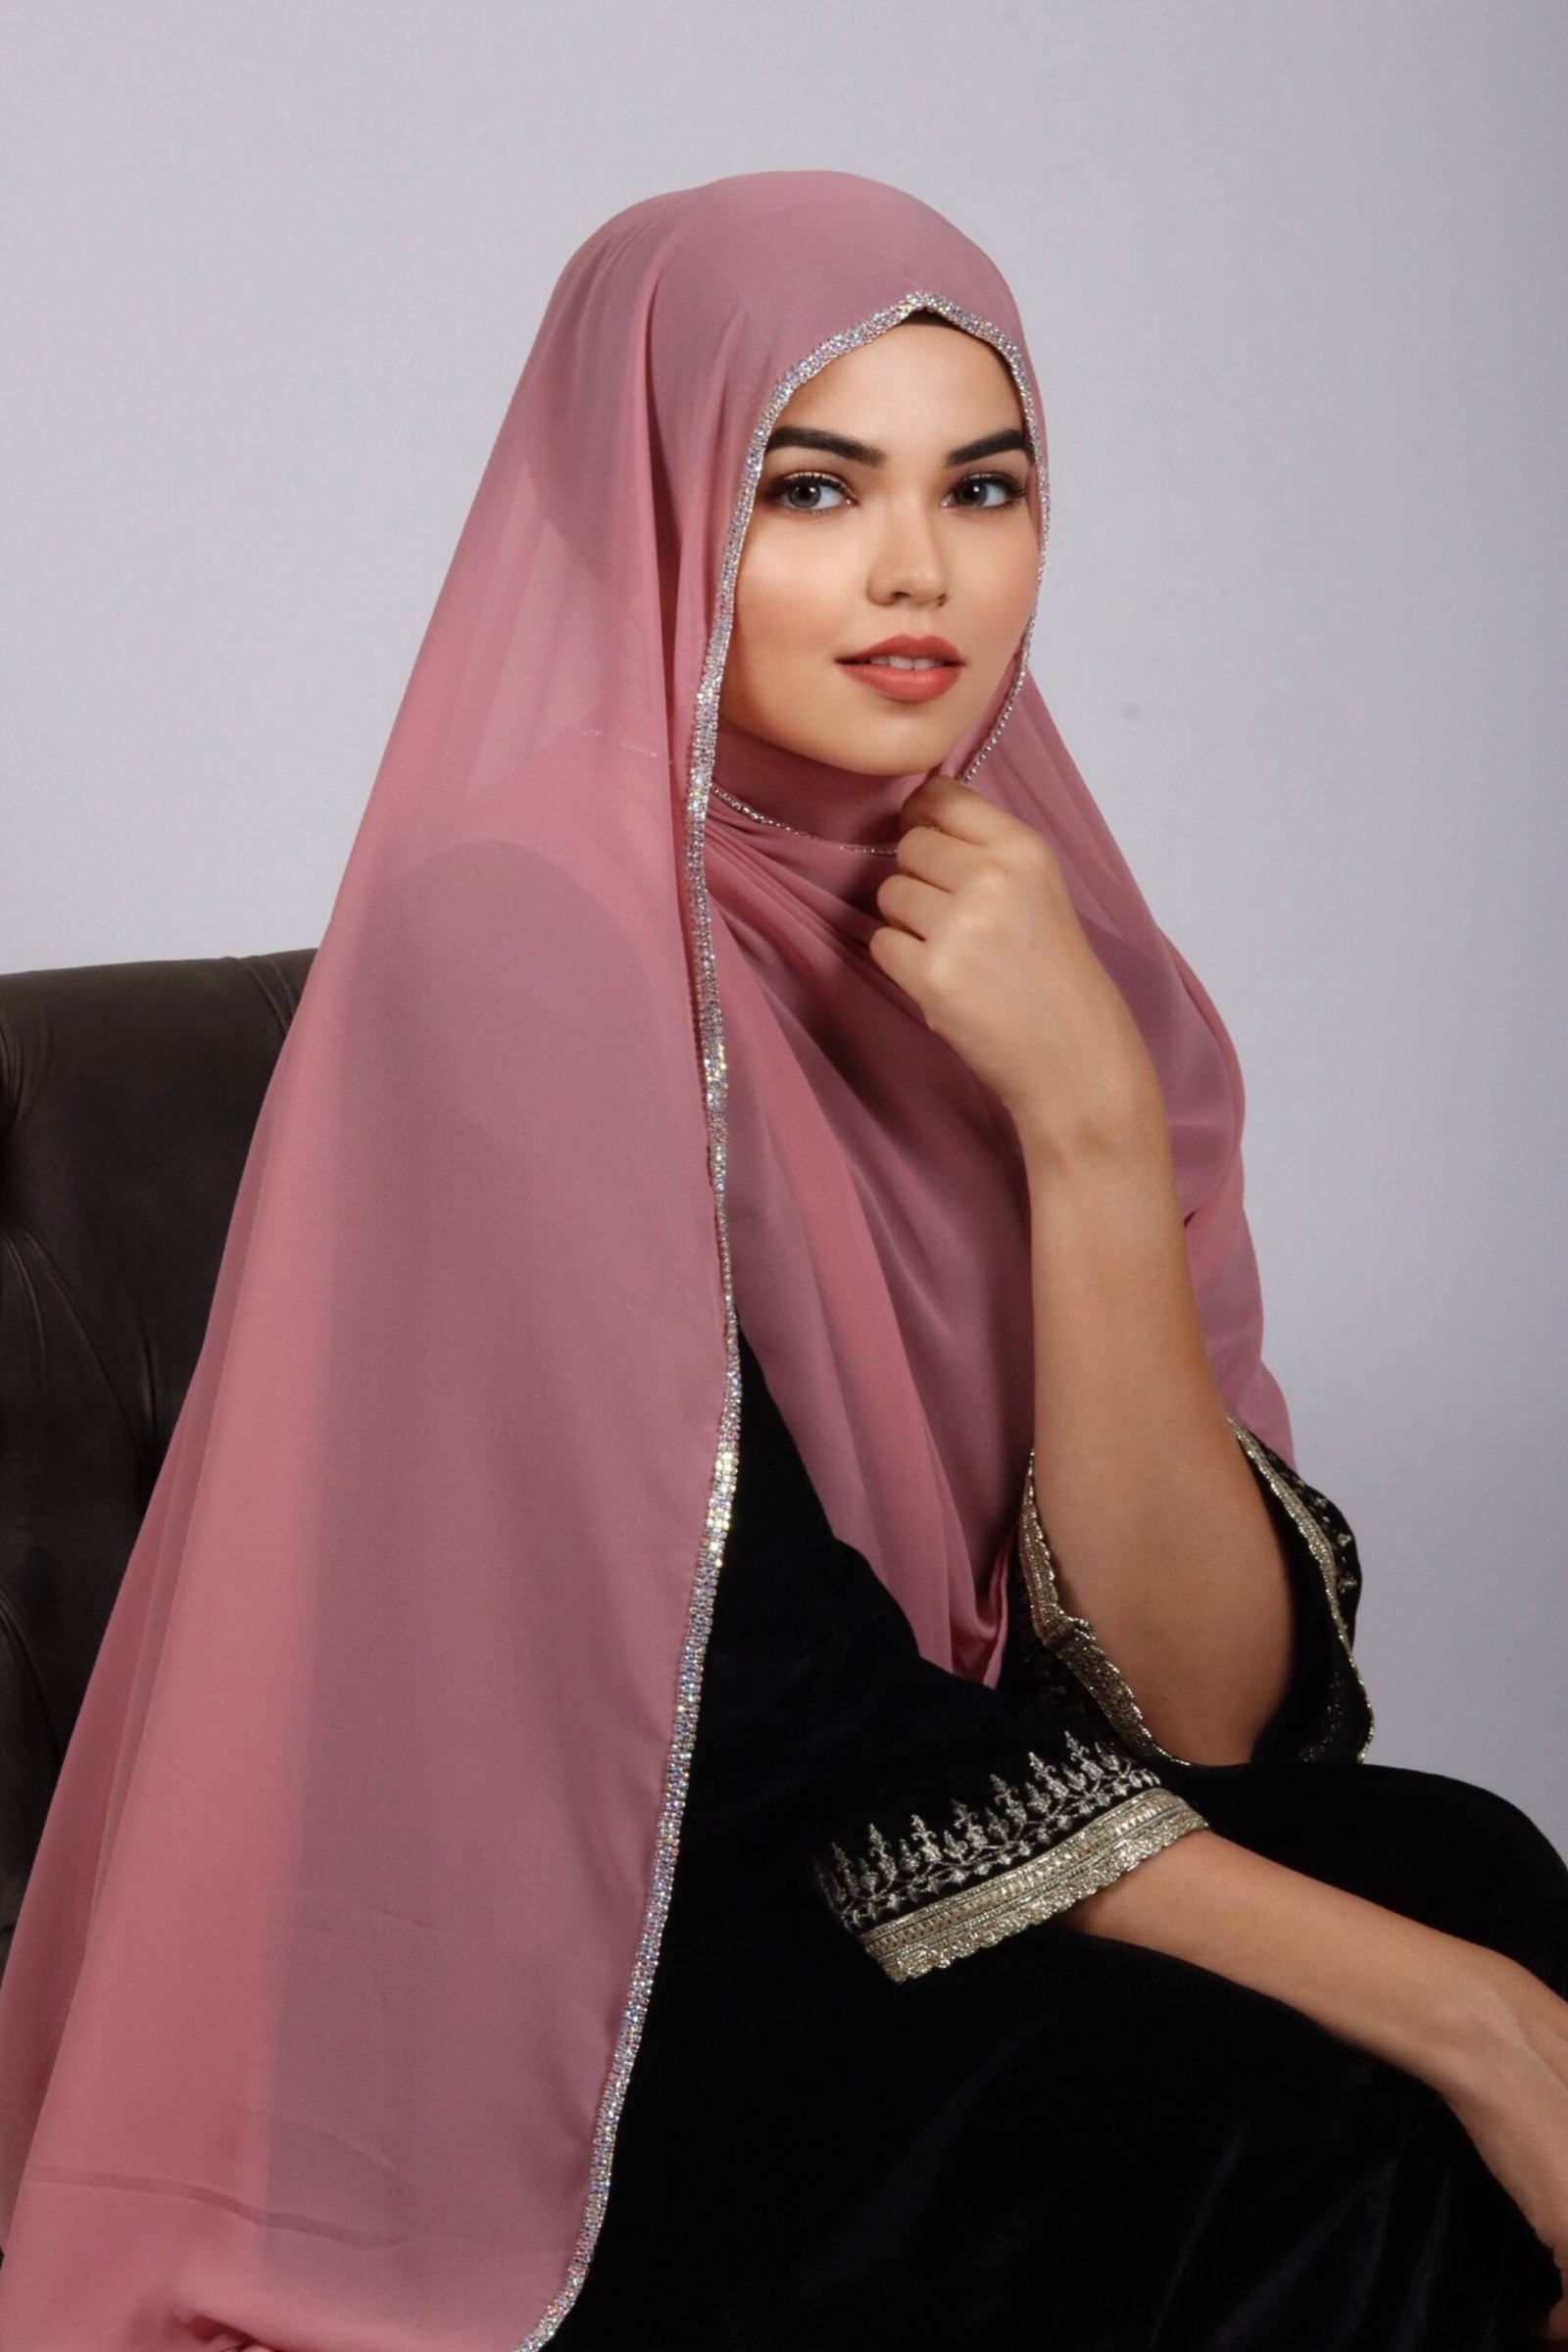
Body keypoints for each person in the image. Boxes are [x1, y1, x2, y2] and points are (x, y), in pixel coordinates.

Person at [0, 169, 1562, 2349]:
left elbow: (1205, 1714)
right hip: (588, 1979)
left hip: (919, 1871)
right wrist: (1461, 2017)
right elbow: (768, 1711)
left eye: (982, 486)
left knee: (1474, 1862)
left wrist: (1090, 1134)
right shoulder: (520, 929)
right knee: (1360, 2083)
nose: (919, 570)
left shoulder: (1053, 945)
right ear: (652, 510)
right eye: (810, 488)